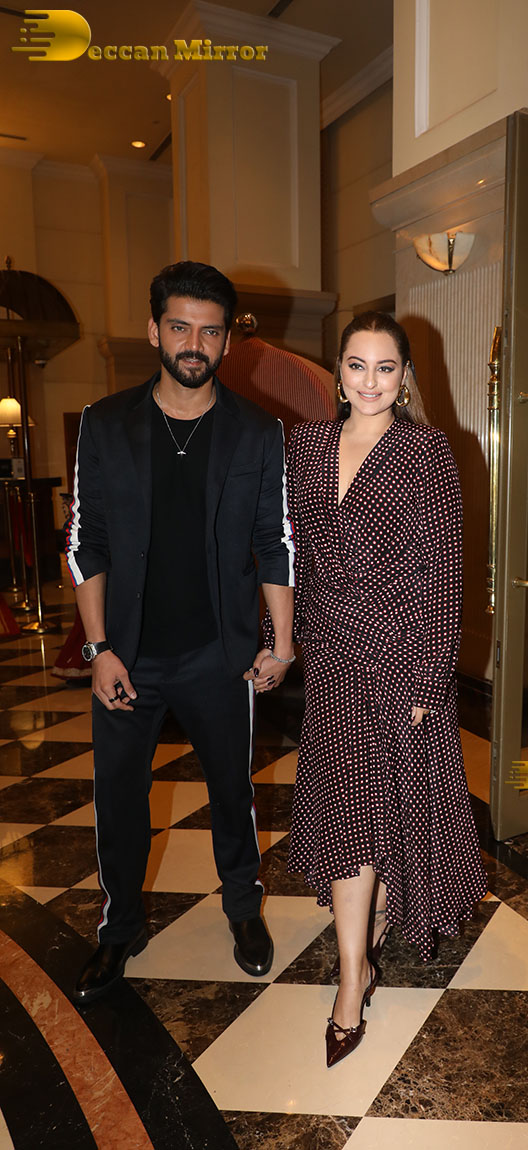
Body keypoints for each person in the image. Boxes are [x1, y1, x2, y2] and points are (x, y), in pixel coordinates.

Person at [66, 261, 295, 1004]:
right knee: (118, 800)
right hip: (126, 656)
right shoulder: (105, 423)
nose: (194, 343)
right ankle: (119, 928)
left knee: (232, 793)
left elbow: (275, 541)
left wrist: (280, 642)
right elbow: (87, 540)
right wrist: (99, 650)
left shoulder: (257, 431)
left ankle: (243, 912)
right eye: (180, 327)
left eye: (210, 331)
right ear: (154, 330)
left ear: (227, 340)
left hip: (218, 655)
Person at [278, 312, 486, 1067]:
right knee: (349, 814)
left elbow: (443, 575)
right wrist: (278, 637)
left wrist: (430, 677)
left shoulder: (425, 452)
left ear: (405, 377)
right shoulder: (303, 446)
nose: (370, 381)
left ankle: (353, 974)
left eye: (385, 367)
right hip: (332, 659)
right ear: (338, 370)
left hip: (399, 660)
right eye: (357, 365)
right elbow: (288, 552)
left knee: (380, 812)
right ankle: (355, 965)